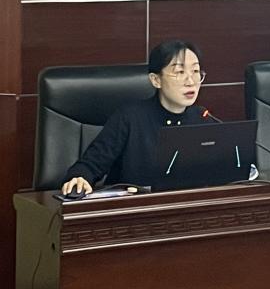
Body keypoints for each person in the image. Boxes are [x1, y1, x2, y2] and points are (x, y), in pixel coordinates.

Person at [61, 40, 207, 195]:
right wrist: (79, 178)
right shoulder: (130, 118)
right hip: (131, 207)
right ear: (156, 80)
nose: (191, 81)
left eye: (195, 71)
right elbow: (89, 165)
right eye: (180, 72)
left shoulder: (203, 119)